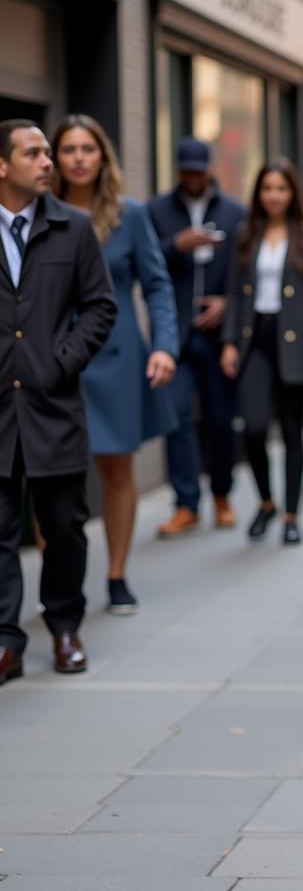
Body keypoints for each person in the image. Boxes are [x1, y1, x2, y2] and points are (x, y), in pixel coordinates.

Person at [0, 119, 116, 682]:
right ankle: (5, 641)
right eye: (34, 152)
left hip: (52, 406)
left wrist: (61, 360)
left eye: (49, 151)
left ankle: (65, 627)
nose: (47, 161)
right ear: (3, 165)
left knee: (65, 527)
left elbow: (100, 307)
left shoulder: (72, 228)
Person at [51, 114, 179, 615]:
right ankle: (61, 579)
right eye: (69, 149)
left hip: (119, 353)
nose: (79, 157)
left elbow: (157, 284)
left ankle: (117, 573)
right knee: (50, 474)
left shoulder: (129, 214)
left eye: (88, 148)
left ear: (103, 156)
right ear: (55, 159)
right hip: (53, 355)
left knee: (117, 468)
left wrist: (164, 345)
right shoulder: (40, 213)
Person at [221, 159, 303, 546]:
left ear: (292, 194)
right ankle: (266, 501)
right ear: (258, 194)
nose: (274, 195)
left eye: (281, 189)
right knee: (252, 427)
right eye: (267, 189)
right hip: (255, 340)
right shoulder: (244, 235)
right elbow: (235, 293)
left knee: (291, 431)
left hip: (296, 341)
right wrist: (229, 343)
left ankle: (290, 514)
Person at [148, 137, 246, 536]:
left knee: (221, 420)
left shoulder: (234, 213)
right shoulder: (156, 211)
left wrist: (227, 303)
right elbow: (147, 260)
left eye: (197, 170)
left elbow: (247, 272)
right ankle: (186, 503)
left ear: (209, 170)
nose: (191, 176)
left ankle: (221, 495)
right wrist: (177, 245)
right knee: (176, 418)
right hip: (175, 336)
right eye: (185, 170)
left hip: (219, 337)